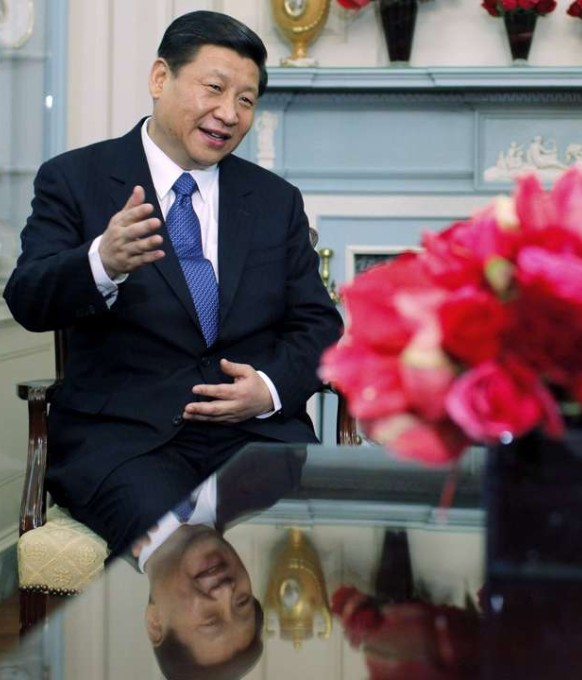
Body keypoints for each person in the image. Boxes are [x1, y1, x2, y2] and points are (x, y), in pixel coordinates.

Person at [2, 11, 341, 557]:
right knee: (180, 555)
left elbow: (319, 324)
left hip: (258, 440)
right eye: (215, 88)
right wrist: (101, 262)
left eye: (247, 100)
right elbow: (28, 298)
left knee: (310, 547)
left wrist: (268, 390)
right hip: (125, 446)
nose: (228, 114)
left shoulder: (275, 201)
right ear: (161, 78)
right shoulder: (75, 179)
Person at [132, 444, 307, 679]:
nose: (225, 591)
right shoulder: (275, 473)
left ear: (155, 623)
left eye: (210, 620)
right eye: (242, 602)